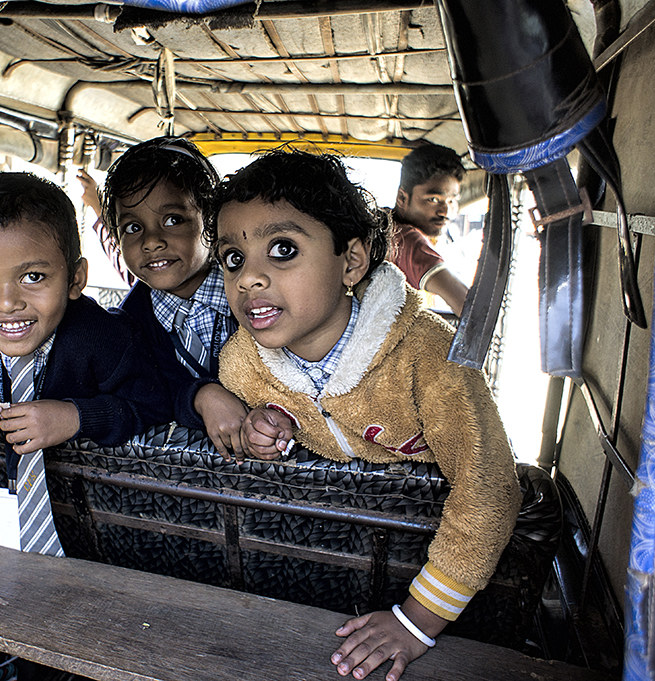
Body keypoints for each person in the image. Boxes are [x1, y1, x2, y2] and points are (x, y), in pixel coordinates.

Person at [210, 150, 520, 681]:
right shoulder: (241, 363)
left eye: (282, 250)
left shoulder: (429, 356)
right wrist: (266, 426)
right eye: (233, 258)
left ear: (351, 260)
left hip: (436, 585)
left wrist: (417, 621)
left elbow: (489, 487)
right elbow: (281, 418)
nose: (249, 279)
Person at [0, 172, 166, 554]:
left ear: (75, 279)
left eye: (32, 276)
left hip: (112, 529)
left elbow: (155, 405)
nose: (6, 302)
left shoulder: (106, 339)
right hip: (8, 524)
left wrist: (76, 416)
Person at [101, 137, 248, 459]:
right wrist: (201, 396)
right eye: (133, 227)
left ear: (211, 220)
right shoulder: (128, 323)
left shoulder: (250, 290)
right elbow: (147, 389)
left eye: (173, 220)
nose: (152, 241)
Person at [390, 143, 469, 316]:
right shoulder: (404, 239)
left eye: (451, 201)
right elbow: (470, 308)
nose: (445, 211)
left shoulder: (385, 225)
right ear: (402, 198)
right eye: (433, 199)